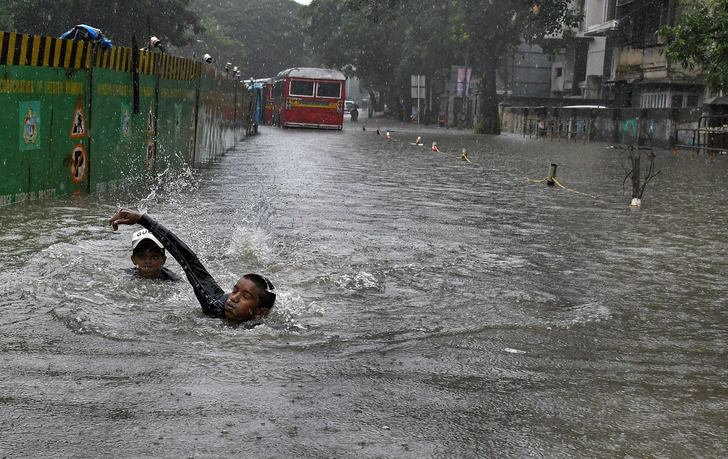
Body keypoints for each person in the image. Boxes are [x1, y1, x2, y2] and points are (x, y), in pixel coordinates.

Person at [109, 209, 276, 323]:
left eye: (245, 297)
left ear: (260, 314)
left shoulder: (264, 331)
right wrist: (143, 219)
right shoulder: (215, 304)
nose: (233, 299)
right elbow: (188, 260)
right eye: (234, 291)